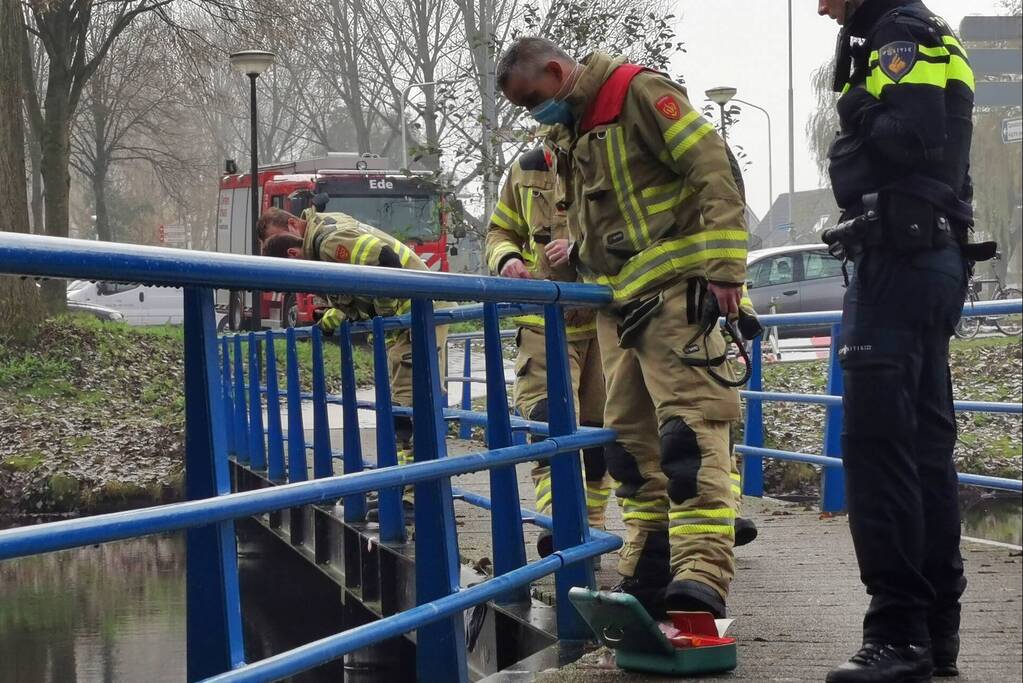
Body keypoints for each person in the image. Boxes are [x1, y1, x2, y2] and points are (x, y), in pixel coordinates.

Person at [497, 38, 751, 618]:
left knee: (690, 437)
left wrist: (726, 272)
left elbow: (714, 169)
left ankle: (702, 573)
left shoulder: (639, 93)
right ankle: (650, 569)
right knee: (631, 451)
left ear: (558, 72)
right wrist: (574, 257)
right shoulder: (570, 132)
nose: (533, 114)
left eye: (533, 99)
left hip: (675, 299)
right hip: (620, 307)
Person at [816, 1, 991, 680]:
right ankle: (933, 636)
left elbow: (907, 136)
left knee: (878, 449)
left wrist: (856, 109)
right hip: (927, 257)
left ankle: (897, 636)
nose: (818, 5)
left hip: (900, 258)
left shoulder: (898, 35)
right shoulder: (920, 33)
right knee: (921, 452)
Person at [259, 207, 449, 513]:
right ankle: (404, 487)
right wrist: (339, 313)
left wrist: (385, 312)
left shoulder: (327, 243)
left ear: (294, 253)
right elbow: (358, 287)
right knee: (402, 412)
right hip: (408, 319)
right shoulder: (322, 246)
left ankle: (417, 497)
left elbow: (385, 259)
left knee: (410, 410)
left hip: (415, 314)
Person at [485, 132, 614, 558]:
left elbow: (630, 229)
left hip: (603, 322)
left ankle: (589, 529)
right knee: (547, 423)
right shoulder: (524, 168)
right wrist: (507, 258)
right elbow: (500, 228)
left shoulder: (609, 156)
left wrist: (581, 250)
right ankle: (560, 524)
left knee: (597, 437)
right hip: (544, 322)